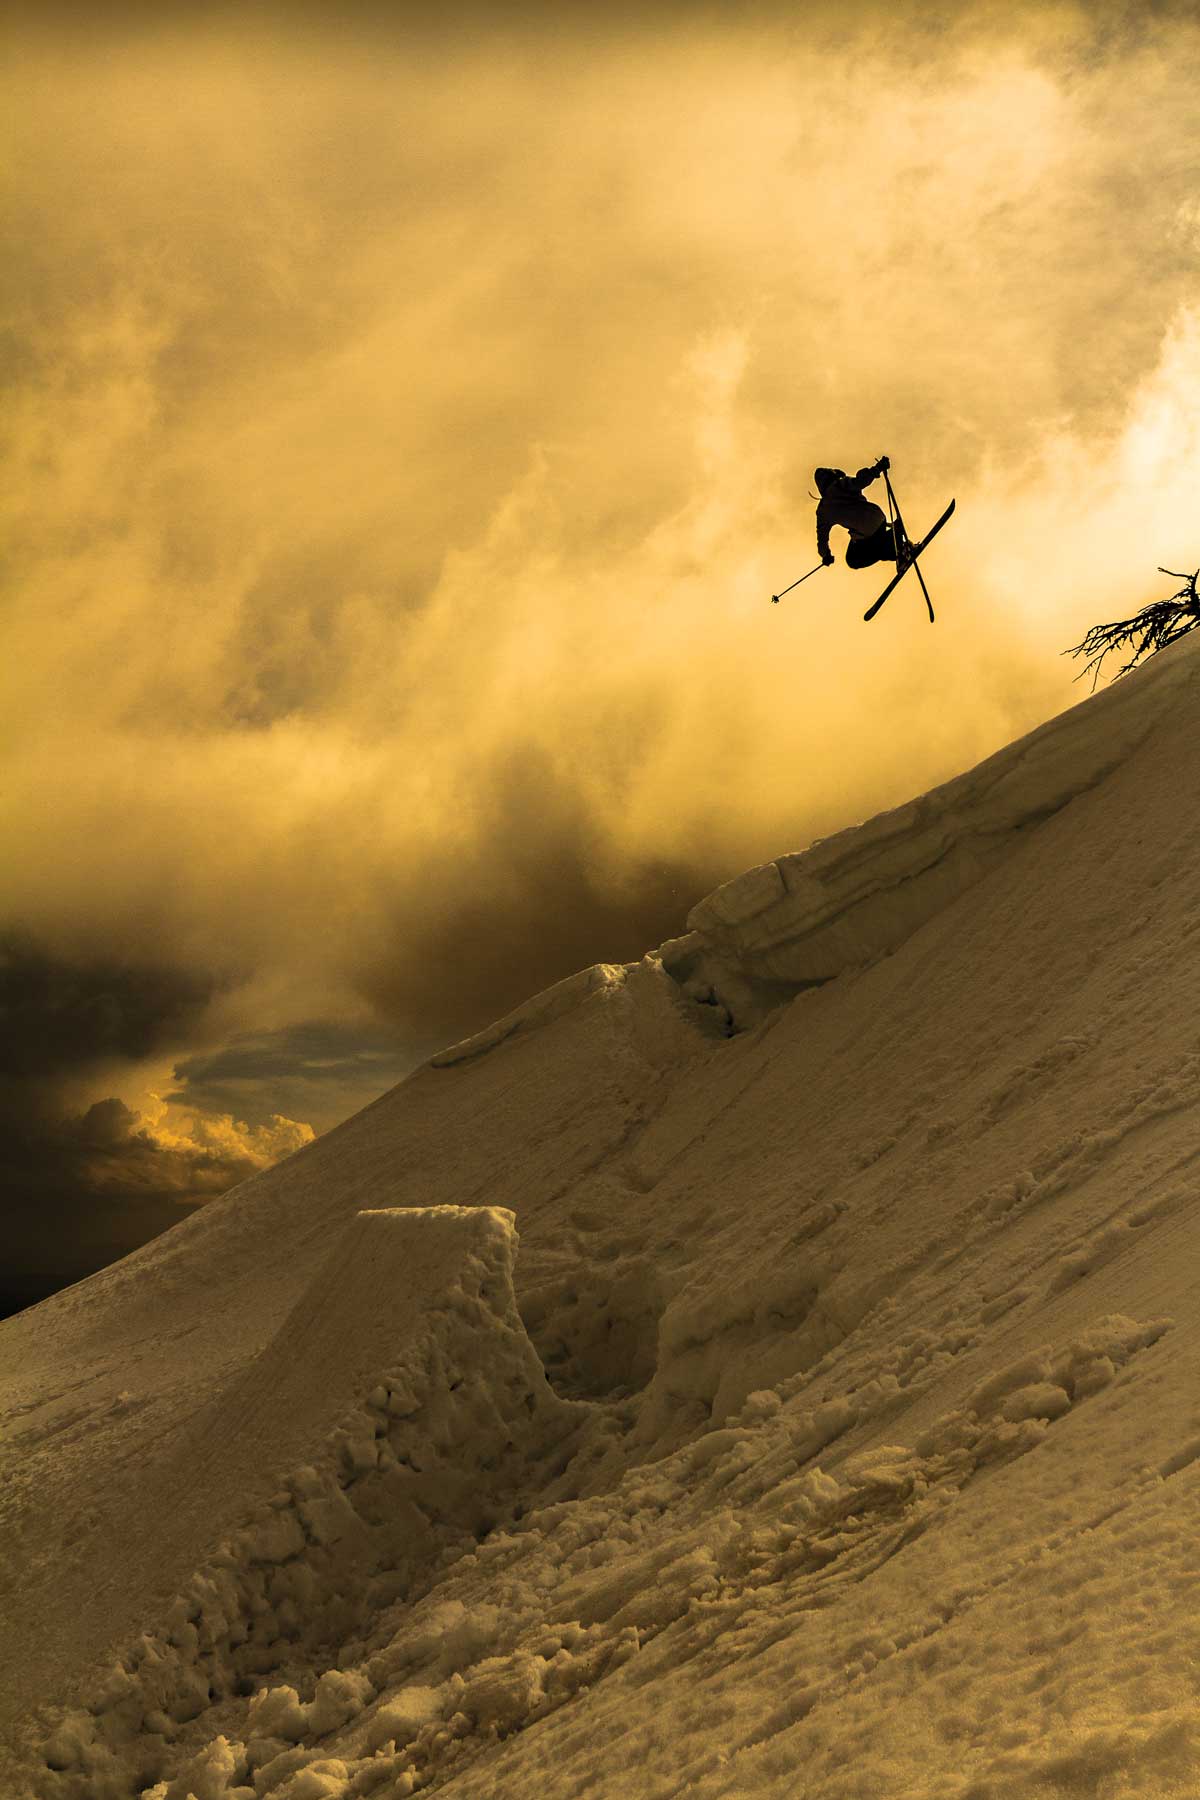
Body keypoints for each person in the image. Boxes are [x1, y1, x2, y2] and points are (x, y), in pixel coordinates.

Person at [814, 456, 911, 571]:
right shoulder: (842, 483)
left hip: (865, 533)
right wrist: (878, 468)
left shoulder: (823, 511)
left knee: (854, 560)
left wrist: (826, 555)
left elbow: (822, 540)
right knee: (869, 547)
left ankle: (897, 544)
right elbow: (861, 481)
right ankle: (897, 544)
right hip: (878, 518)